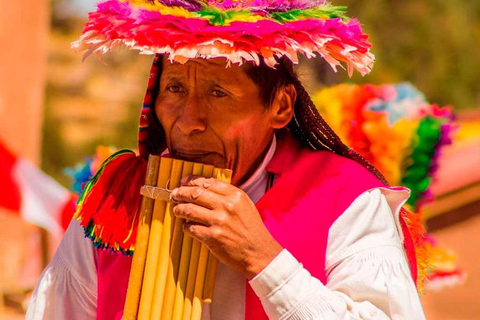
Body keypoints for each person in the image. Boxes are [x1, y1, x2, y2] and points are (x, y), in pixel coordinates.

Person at [27, 0, 426, 319]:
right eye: (175, 88)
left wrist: (264, 261)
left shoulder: (346, 199)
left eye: (218, 93)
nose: (188, 122)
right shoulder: (114, 206)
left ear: (281, 106)